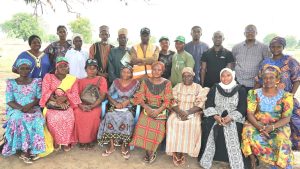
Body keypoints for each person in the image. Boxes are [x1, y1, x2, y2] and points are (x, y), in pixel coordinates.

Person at [242, 65, 294, 169]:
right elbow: (250, 113)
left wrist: (272, 127)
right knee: (247, 131)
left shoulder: (286, 96)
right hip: (257, 124)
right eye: (265, 77)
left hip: (278, 125)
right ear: (261, 79)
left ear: (277, 79)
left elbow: (286, 118)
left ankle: (280, 165)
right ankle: (253, 159)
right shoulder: (254, 93)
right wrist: (259, 127)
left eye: (271, 77)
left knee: (282, 140)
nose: (268, 80)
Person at [256, 37, 300, 151]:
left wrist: (291, 96)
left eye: (278, 46)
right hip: (269, 97)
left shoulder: (290, 61)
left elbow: (297, 79)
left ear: (283, 47)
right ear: (269, 48)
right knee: (273, 120)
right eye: (273, 46)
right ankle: (274, 145)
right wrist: (254, 95)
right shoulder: (265, 62)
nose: (275, 49)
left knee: (295, 118)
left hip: (286, 97)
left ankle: (295, 144)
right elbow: (258, 80)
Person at [199, 68, 247, 169]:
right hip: (216, 114)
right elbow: (209, 104)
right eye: (223, 76)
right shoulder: (215, 87)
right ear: (220, 77)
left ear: (232, 76)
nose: (225, 78)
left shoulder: (240, 89)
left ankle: (233, 160)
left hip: (233, 116)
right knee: (208, 125)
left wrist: (231, 117)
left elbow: (242, 107)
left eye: (228, 75)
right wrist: (215, 116)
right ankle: (209, 158)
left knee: (235, 128)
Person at [2, 59, 45, 164]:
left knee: (37, 120)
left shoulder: (36, 81)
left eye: (27, 68)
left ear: (30, 70)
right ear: (17, 69)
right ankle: (22, 148)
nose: (25, 71)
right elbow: (9, 101)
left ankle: (31, 149)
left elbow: (39, 98)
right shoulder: (11, 83)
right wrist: (22, 109)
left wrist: (29, 106)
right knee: (18, 119)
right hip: (16, 108)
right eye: (22, 68)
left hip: (33, 107)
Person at [130, 61, 173, 163]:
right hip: (147, 108)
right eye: (154, 69)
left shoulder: (167, 83)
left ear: (162, 71)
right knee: (143, 124)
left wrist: (158, 110)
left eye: (159, 70)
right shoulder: (145, 81)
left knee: (158, 129)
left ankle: (152, 150)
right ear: (151, 70)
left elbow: (168, 101)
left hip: (161, 109)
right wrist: (147, 108)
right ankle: (148, 150)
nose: (156, 72)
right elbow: (139, 96)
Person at [166, 67, 209, 166]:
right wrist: (180, 112)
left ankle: (185, 150)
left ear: (193, 76)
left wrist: (188, 112)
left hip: (192, 111)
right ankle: (176, 150)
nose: (186, 78)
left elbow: (201, 103)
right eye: (184, 76)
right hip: (178, 110)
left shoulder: (198, 88)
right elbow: (172, 100)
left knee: (194, 124)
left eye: (189, 76)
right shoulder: (177, 86)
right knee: (172, 122)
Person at [39, 57, 81, 152]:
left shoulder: (72, 79)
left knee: (69, 118)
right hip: (52, 103)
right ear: (56, 68)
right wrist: (56, 99)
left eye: (65, 66)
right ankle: (57, 141)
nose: (63, 68)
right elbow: (45, 92)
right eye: (60, 66)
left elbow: (75, 93)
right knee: (53, 119)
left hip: (67, 103)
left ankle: (65, 142)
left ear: (68, 68)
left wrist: (65, 98)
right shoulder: (48, 77)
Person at [98, 65, 139, 159]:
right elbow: (108, 94)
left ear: (131, 73)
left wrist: (126, 102)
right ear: (121, 72)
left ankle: (124, 146)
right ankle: (111, 146)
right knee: (109, 115)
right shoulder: (116, 81)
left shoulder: (136, 82)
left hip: (129, 106)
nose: (125, 74)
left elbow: (137, 95)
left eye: (128, 72)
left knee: (127, 117)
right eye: (124, 72)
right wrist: (116, 103)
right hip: (117, 105)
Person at [74, 59, 107, 150]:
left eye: (94, 68)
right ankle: (82, 140)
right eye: (89, 68)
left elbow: (102, 96)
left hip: (96, 104)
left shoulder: (101, 79)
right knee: (77, 114)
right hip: (82, 104)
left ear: (97, 69)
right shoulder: (80, 81)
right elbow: (76, 95)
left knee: (93, 116)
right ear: (85, 69)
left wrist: (92, 106)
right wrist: (81, 106)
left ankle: (91, 139)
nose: (92, 70)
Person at [232, 24, 271, 93]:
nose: (250, 33)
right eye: (247, 31)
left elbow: (268, 66)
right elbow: (233, 63)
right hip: (238, 83)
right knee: (240, 103)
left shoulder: (264, 48)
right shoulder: (236, 47)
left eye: (252, 31)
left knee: (252, 103)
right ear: (244, 33)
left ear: (256, 33)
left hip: (255, 85)